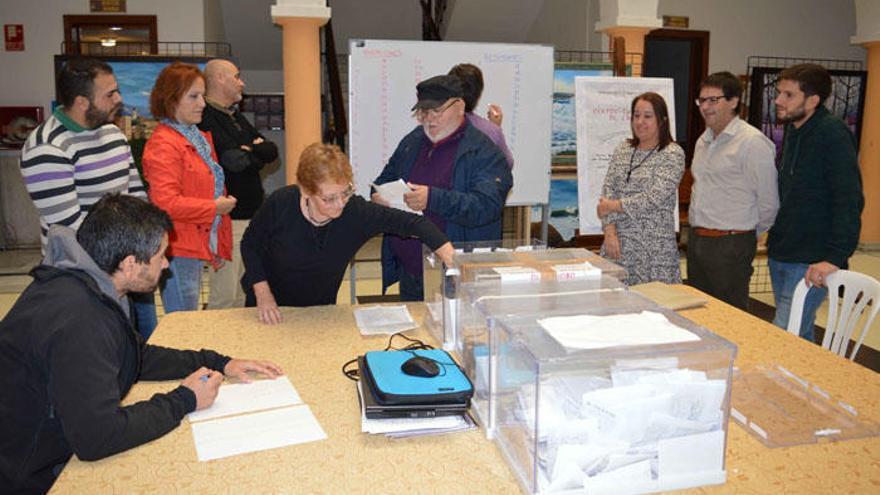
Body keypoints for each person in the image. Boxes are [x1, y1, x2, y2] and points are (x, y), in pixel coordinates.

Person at [0, 194, 282, 494]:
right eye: (160, 255)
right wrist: (185, 400)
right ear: (131, 264)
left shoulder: (86, 283)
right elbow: (97, 438)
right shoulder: (81, 320)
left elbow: (131, 355)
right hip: (31, 474)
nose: (166, 265)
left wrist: (218, 361)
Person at [19, 57, 159, 340]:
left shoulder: (112, 134)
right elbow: (70, 229)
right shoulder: (46, 148)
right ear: (82, 102)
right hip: (79, 277)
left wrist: (145, 246)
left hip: (123, 265)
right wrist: (123, 261)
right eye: (109, 94)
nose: (119, 98)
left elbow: (136, 198)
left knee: (138, 343)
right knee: (96, 350)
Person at [241, 143, 455, 324]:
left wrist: (447, 252)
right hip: (268, 308)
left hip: (319, 312)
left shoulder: (355, 212)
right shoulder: (281, 203)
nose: (340, 204)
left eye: (345, 193)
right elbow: (250, 244)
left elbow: (412, 222)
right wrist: (262, 293)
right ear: (306, 191)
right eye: (329, 198)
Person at [372, 74, 512, 301]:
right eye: (423, 112)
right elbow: (384, 179)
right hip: (411, 270)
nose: (429, 119)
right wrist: (378, 196)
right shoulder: (412, 142)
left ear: (459, 106)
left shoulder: (484, 151)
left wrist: (432, 199)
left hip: (456, 274)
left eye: (437, 111)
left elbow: (487, 206)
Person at [767, 63, 864, 341]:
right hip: (783, 252)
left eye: (788, 95)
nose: (778, 101)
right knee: (799, 335)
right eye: (778, 92)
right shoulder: (794, 130)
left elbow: (849, 198)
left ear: (813, 100)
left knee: (784, 335)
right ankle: (808, 384)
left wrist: (834, 258)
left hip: (812, 260)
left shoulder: (832, 133)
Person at [143, 62, 236, 313]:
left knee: (188, 314)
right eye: (193, 96)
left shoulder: (194, 136)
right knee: (182, 319)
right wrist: (214, 208)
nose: (202, 103)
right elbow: (165, 203)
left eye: (202, 96)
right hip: (177, 245)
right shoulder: (164, 143)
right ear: (171, 100)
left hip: (192, 241)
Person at [687, 72, 779, 310]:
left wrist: (746, 234)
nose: (705, 106)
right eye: (701, 100)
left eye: (713, 100)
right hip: (697, 240)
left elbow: (769, 201)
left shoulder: (752, 142)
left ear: (734, 101)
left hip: (731, 244)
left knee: (730, 315)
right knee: (699, 313)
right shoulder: (703, 141)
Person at [199, 58, 278, 309]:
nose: (242, 82)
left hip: (250, 216)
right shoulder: (206, 118)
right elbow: (233, 161)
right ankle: (214, 347)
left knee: (243, 293)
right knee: (224, 296)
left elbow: (270, 150)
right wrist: (252, 151)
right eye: (237, 76)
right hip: (226, 220)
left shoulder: (235, 117)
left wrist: (251, 151)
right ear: (220, 78)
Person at [596, 92, 685, 286]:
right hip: (617, 247)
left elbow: (653, 198)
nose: (640, 122)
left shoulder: (672, 154)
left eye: (647, 116)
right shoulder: (623, 149)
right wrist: (609, 233)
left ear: (662, 120)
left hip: (654, 252)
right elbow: (607, 193)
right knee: (613, 309)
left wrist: (614, 205)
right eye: (636, 115)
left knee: (657, 311)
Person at [448, 63, 514, 168]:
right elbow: (506, 165)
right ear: (478, 94)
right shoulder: (490, 131)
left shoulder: (433, 126)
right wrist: (495, 127)